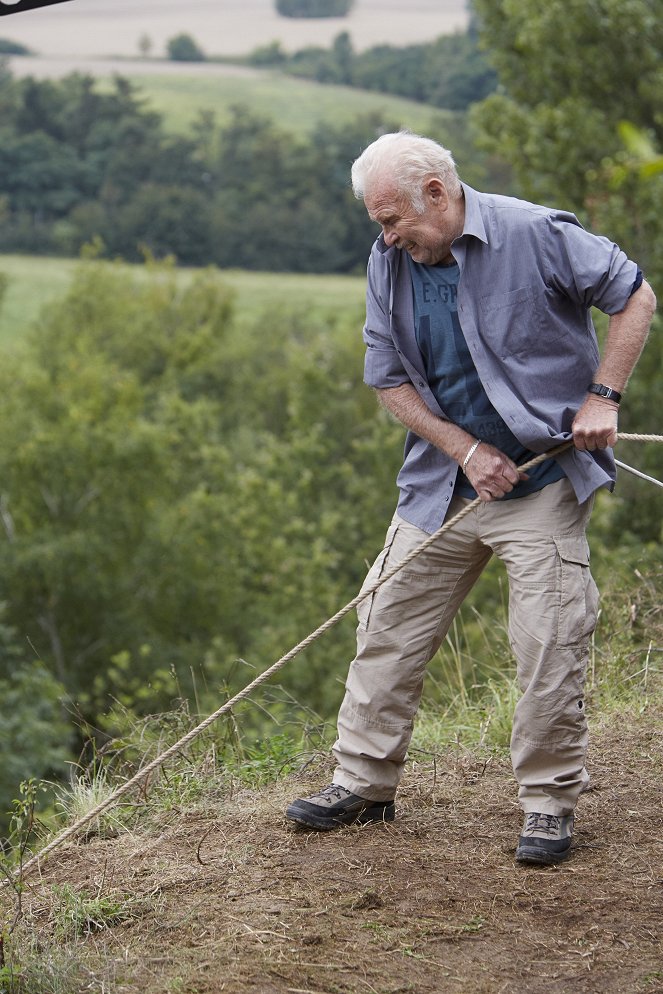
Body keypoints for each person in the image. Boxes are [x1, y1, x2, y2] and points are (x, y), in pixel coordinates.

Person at [285, 131, 656, 864]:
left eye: (392, 219)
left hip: (542, 484)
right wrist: (464, 450)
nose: (385, 236)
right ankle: (362, 784)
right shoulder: (386, 259)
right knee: (385, 620)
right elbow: (386, 379)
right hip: (442, 486)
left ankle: (548, 805)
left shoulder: (534, 233)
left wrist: (602, 397)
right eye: (377, 223)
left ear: (436, 192)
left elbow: (634, 296)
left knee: (548, 641)